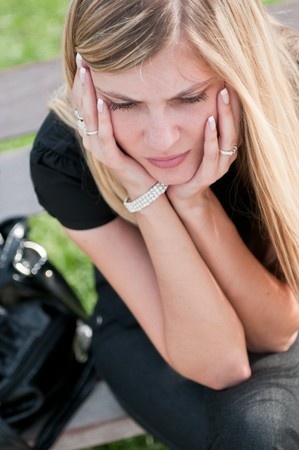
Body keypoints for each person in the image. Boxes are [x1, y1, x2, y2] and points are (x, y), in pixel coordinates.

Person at [30, 0, 299, 448]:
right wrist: (148, 198)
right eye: (123, 103)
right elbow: (219, 365)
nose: (161, 138)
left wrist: (196, 204)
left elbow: (276, 330)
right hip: (154, 327)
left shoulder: (288, 96)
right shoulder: (66, 155)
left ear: (240, 71)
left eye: (189, 97)